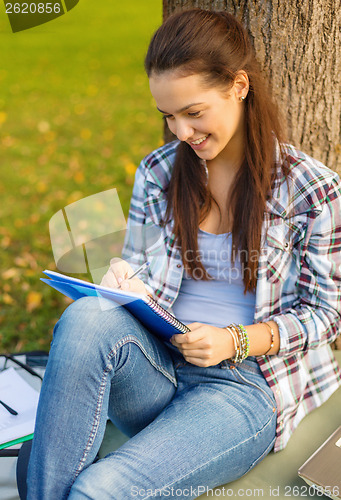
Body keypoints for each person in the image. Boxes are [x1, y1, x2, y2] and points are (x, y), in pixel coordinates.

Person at [27, 9, 341, 500]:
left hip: (243, 388)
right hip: (160, 362)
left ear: (239, 86)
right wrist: (125, 281)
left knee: (99, 489)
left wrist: (234, 341)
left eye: (193, 112)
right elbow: (144, 272)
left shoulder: (311, 189)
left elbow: (329, 314)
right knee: (88, 316)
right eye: (168, 116)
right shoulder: (159, 172)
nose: (180, 131)